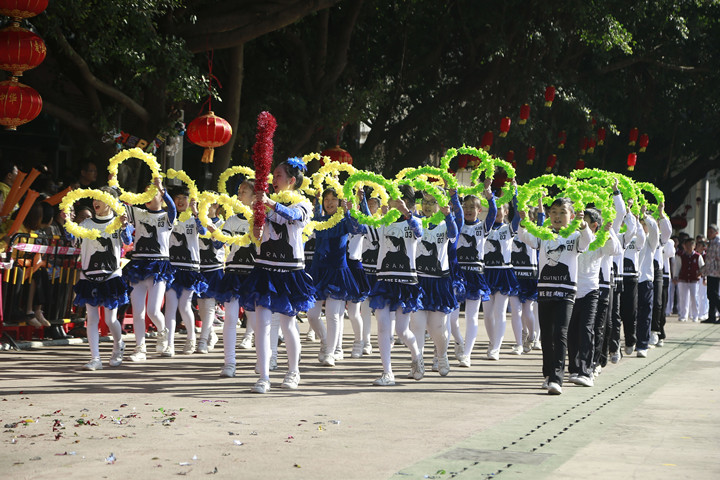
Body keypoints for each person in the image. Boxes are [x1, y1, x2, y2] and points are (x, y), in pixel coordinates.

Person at [244, 158, 316, 393]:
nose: (273, 180)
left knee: (287, 324)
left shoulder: (304, 204)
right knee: (262, 325)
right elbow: (257, 234)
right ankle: (264, 376)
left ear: (292, 180)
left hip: (289, 272)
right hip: (265, 269)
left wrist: (269, 203)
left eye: (278, 175)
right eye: (273, 175)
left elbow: (293, 216)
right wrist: (256, 228)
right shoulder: (264, 204)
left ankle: (293, 371)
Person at [518, 197, 593, 395]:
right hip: (545, 290)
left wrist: (583, 226)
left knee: (560, 332)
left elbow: (587, 242)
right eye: (553, 212)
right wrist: (523, 222)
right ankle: (548, 373)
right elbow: (525, 237)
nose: (557, 216)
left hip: (566, 292)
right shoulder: (543, 234)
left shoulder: (575, 235)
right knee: (547, 334)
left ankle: (556, 378)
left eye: (562, 212)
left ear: (572, 215)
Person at [365, 183, 424, 386]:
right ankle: (387, 372)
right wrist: (358, 204)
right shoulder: (383, 221)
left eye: (399, 199)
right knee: (383, 326)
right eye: (391, 199)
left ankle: (417, 356)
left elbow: (419, 233)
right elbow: (363, 229)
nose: (393, 202)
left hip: (406, 281)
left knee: (401, 330)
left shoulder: (415, 220)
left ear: (407, 201)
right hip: (384, 280)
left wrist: (406, 213)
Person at [69, 187, 132, 370]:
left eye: (101, 199)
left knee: (110, 319)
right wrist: (68, 223)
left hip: (111, 276)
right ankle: (95, 358)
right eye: (95, 198)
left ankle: (118, 345)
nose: (96, 202)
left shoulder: (118, 222)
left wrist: (125, 226)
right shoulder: (86, 223)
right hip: (89, 276)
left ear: (111, 203)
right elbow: (74, 240)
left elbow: (128, 241)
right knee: (92, 318)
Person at [306, 187, 363, 366]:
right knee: (312, 314)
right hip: (318, 271)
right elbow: (312, 223)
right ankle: (325, 341)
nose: (329, 202)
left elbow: (358, 228)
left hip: (338, 271)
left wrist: (349, 211)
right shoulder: (319, 220)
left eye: (333, 199)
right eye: (326, 199)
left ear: (339, 202)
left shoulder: (344, 221)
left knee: (333, 314)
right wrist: (316, 203)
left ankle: (331, 352)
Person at [122, 176, 175, 361]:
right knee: (138, 310)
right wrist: (113, 181)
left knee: (153, 310)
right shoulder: (138, 213)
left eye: (153, 194)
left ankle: (163, 333)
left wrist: (162, 189)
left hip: (159, 266)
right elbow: (119, 204)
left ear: (161, 197)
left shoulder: (167, 216)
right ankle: (140, 348)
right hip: (138, 264)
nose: (149, 197)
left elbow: (173, 208)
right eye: (146, 193)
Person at [409, 188, 460, 376]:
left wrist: (449, 215)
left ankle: (442, 355)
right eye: (425, 201)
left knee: (438, 328)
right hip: (418, 281)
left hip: (439, 282)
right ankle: (417, 362)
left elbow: (454, 234)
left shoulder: (446, 223)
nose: (428, 205)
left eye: (432, 202)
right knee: (417, 326)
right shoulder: (416, 222)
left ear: (441, 204)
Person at [217, 179, 257, 377]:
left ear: (255, 197)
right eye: (239, 191)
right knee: (231, 318)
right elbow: (219, 243)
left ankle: (265, 357)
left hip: (253, 274)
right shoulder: (232, 220)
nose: (240, 195)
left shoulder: (261, 220)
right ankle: (229, 362)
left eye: (244, 192)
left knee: (256, 319)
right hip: (233, 273)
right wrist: (211, 232)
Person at [163, 186, 208, 356]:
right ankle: (169, 344)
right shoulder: (169, 217)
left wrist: (196, 213)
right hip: (172, 267)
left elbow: (203, 232)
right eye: (177, 197)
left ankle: (191, 338)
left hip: (190, 268)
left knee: (184, 305)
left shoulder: (194, 218)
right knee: (170, 306)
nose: (180, 201)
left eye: (184, 197)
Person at [455, 179, 494, 367]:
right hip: (457, 275)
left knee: (471, 317)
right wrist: (453, 194)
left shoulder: (483, 227)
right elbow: (454, 209)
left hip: (476, 275)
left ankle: (467, 354)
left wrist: (489, 194)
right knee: (451, 318)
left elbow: (493, 213)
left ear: (479, 210)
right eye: (465, 207)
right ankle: (459, 342)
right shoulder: (457, 224)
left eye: (473, 207)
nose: (468, 210)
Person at [482, 182, 520, 361]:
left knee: (500, 312)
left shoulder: (509, 228)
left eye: (501, 209)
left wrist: (515, 192)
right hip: (486, 272)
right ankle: (492, 341)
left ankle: (496, 347)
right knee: (487, 314)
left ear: (505, 212)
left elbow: (518, 214)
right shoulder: (484, 227)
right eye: (494, 209)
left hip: (504, 272)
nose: (497, 212)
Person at [196, 197, 223, 354]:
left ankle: (203, 340)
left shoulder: (222, 223)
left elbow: (221, 244)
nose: (204, 207)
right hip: (200, 267)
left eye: (208, 204)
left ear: (216, 205)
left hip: (214, 268)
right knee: (201, 306)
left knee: (210, 305)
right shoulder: (197, 222)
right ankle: (211, 335)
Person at [673, 237, 704, 322]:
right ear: (685, 246)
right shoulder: (681, 256)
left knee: (694, 298)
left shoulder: (698, 256)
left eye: (691, 245)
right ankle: (683, 315)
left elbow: (702, 267)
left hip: (694, 280)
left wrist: (702, 275)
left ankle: (695, 315)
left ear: (694, 246)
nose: (689, 247)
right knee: (683, 298)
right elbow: (677, 267)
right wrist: (675, 277)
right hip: (683, 279)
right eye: (687, 245)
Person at [701, 224, 720, 323]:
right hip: (710, 271)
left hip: (716, 272)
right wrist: (702, 271)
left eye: (711, 232)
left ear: (716, 232)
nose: (709, 234)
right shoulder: (711, 242)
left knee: (714, 294)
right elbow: (709, 260)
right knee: (710, 294)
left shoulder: (718, 243)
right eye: (708, 232)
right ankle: (711, 316)